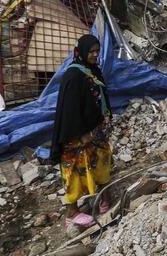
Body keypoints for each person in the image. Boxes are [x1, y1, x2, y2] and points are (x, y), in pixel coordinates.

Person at [50, 35, 113, 231]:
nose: (95, 54)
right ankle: (71, 213)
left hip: (96, 131)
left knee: (102, 161)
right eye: (91, 51)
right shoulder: (73, 75)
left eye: (97, 50)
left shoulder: (92, 69)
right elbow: (69, 110)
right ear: (82, 51)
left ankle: (104, 197)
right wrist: (81, 133)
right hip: (76, 134)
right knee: (74, 171)